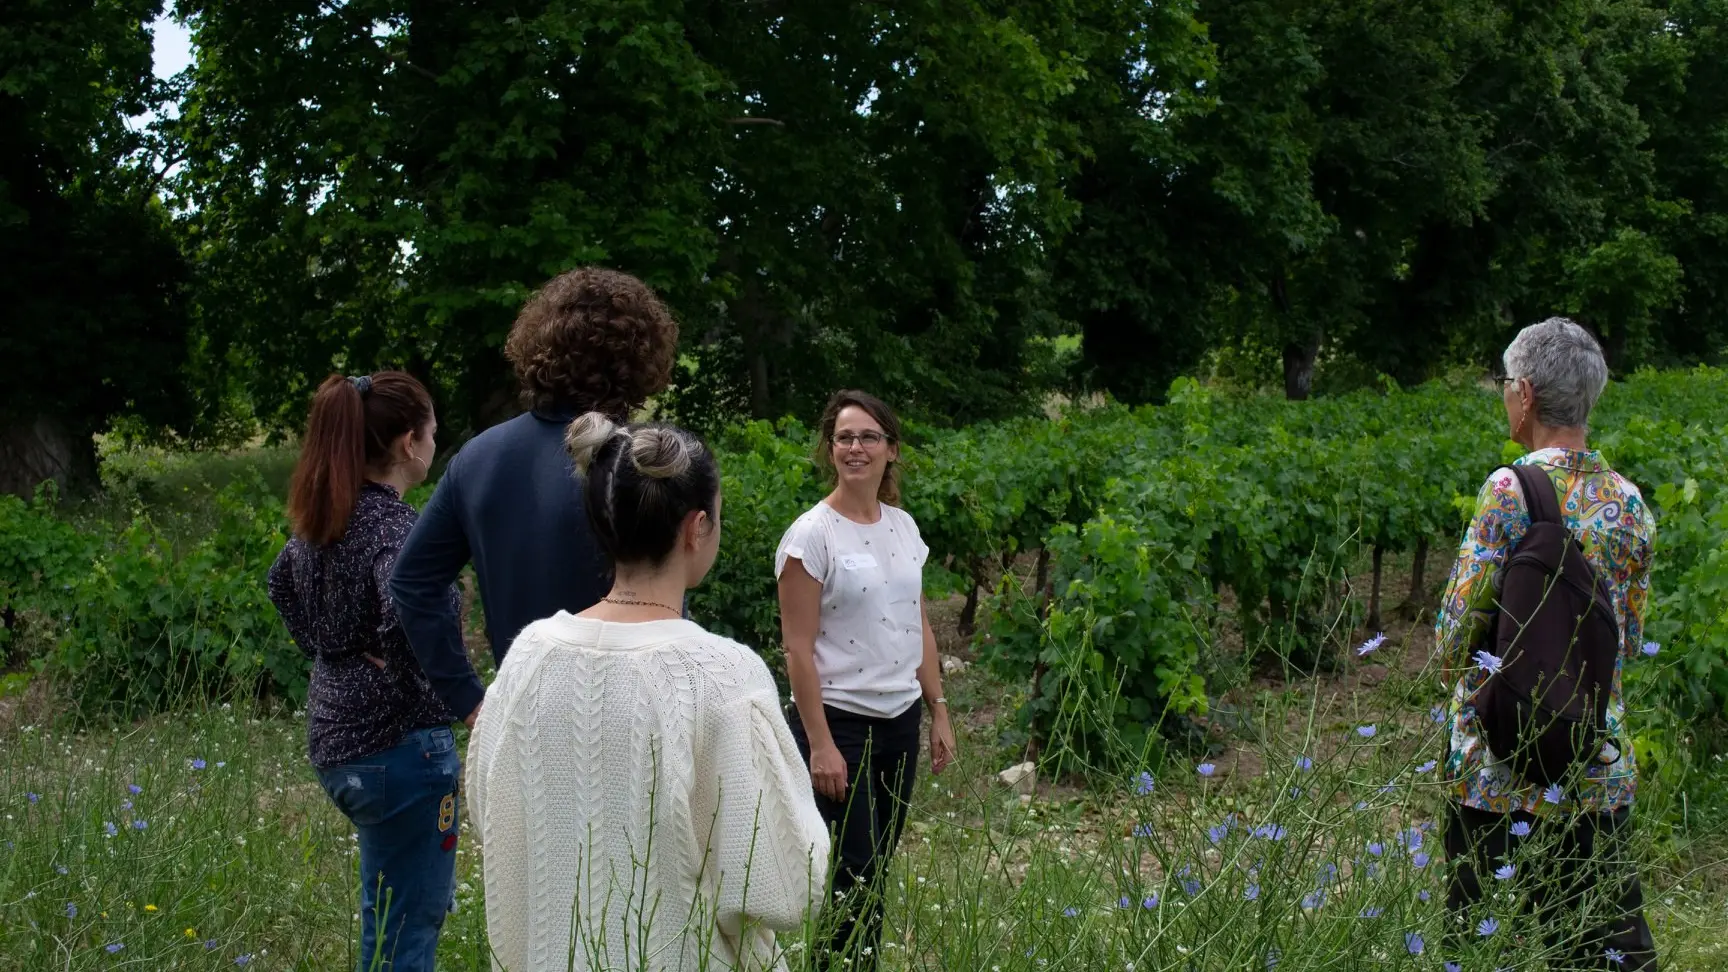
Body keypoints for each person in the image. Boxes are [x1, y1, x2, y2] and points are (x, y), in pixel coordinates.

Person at [465, 413, 830, 972]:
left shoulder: (528, 658)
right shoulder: (723, 673)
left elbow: (492, 814)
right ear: (695, 527)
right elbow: (783, 880)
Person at [1436, 317, 1658, 967]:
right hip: (1594, 759)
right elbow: (1628, 641)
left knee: (1488, 946)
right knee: (1595, 950)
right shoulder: (1630, 504)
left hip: (1498, 765)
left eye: (1506, 383)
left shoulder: (1510, 492)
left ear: (1526, 394)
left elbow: (1456, 637)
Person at [390, 267, 680, 728]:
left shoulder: (478, 456)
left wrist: (467, 698)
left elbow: (412, 580)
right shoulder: (640, 459)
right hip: (632, 716)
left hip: (521, 716)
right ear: (640, 359)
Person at [266, 372, 462, 972]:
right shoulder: (397, 527)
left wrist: (333, 650)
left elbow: (278, 581)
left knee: (387, 914)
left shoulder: (325, 517)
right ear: (409, 442)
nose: (436, 442)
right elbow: (409, 608)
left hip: (338, 742)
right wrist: (411, 681)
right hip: (401, 753)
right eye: (433, 430)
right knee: (410, 926)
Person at [774, 390, 957, 968]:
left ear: (891, 450)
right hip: (841, 726)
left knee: (876, 868)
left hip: (900, 721)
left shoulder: (903, 527)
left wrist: (939, 708)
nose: (856, 447)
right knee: (854, 871)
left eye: (868, 437)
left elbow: (917, 621)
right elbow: (798, 650)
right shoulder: (811, 536)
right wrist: (821, 745)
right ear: (830, 451)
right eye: (844, 437)